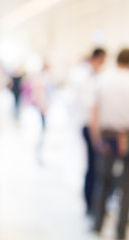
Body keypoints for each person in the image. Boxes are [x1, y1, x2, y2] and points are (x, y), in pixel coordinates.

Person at [91, 49, 129, 240]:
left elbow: (94, 111)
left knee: (103, 181)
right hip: (127, 136)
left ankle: (97, 224)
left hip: (107, 136)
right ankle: (120, 231)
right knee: (127, 186)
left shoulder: (103, 80)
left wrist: (95, 136)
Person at [69, 48, 107, 215]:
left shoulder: (92, 76)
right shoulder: (85, 76)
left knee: (94, 166)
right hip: (89, 125)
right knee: (94, 167)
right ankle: (91, 204)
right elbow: (89, 104)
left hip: (89, 123)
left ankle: (93, 203)